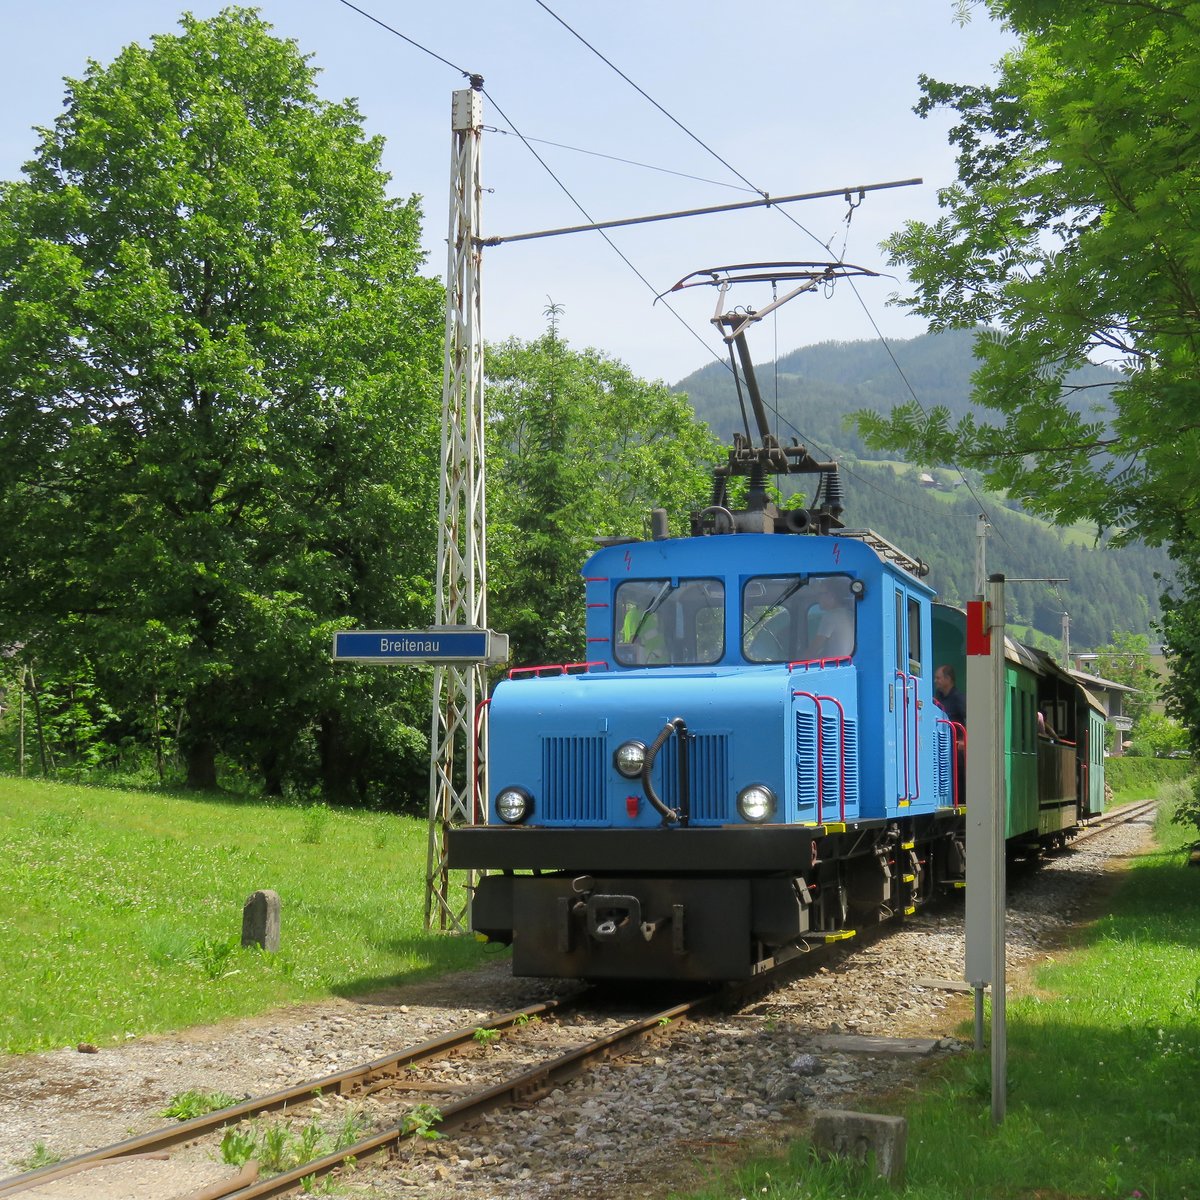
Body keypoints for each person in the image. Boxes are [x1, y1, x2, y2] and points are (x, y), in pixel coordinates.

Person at [809, 578, 854, 658]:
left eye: (820, 594)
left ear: (832, 595)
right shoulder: (850, 614)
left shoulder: (831, 616)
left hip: (836, 664)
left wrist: (797, 660)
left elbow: (814, 649)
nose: (817, 597)